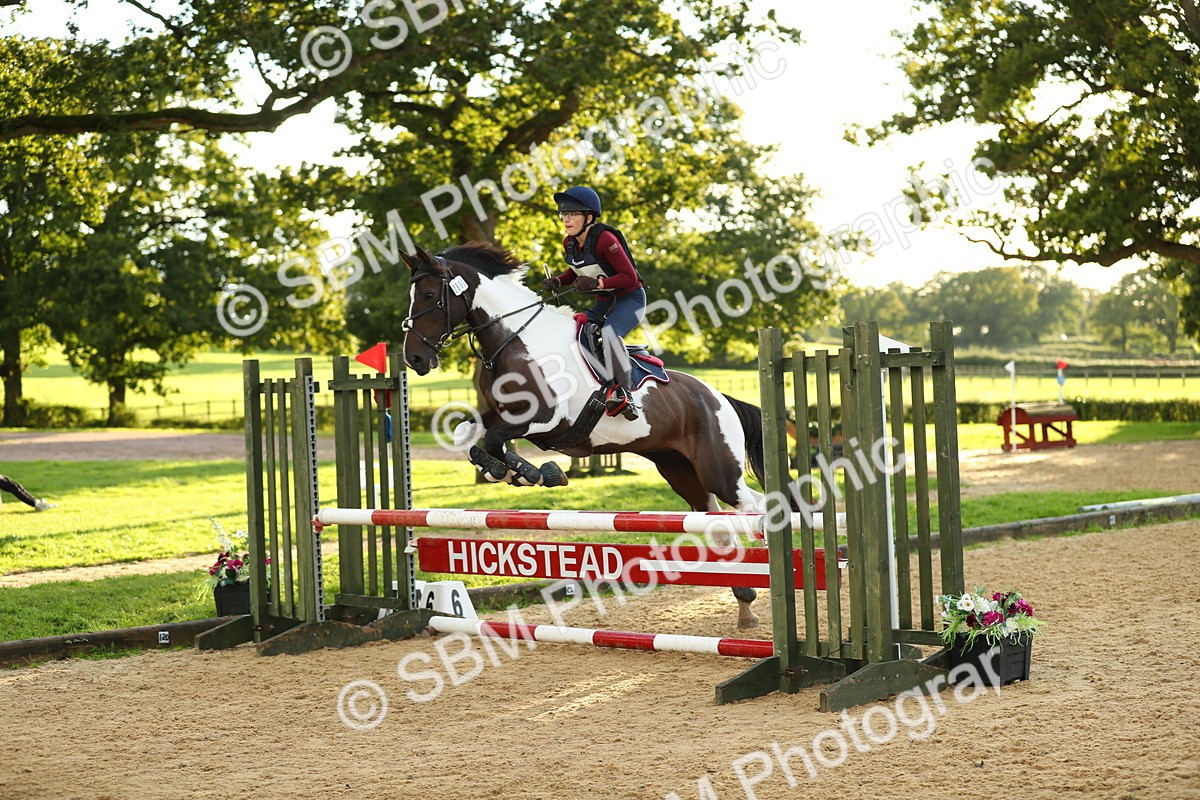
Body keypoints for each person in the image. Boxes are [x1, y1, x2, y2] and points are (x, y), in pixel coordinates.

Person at [543, 186, 647, 420]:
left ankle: (623, 393)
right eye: (564, 215)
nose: (566, 219)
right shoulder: (568, 242)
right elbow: (575, 270)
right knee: (575, 331)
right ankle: (591, 384)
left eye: (572, 214)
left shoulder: (605, 239)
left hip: (630, 299)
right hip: (604, 302)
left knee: (609, 333)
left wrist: (596, 284)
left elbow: (630, 277)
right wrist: (558, 281)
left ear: (589, 218)